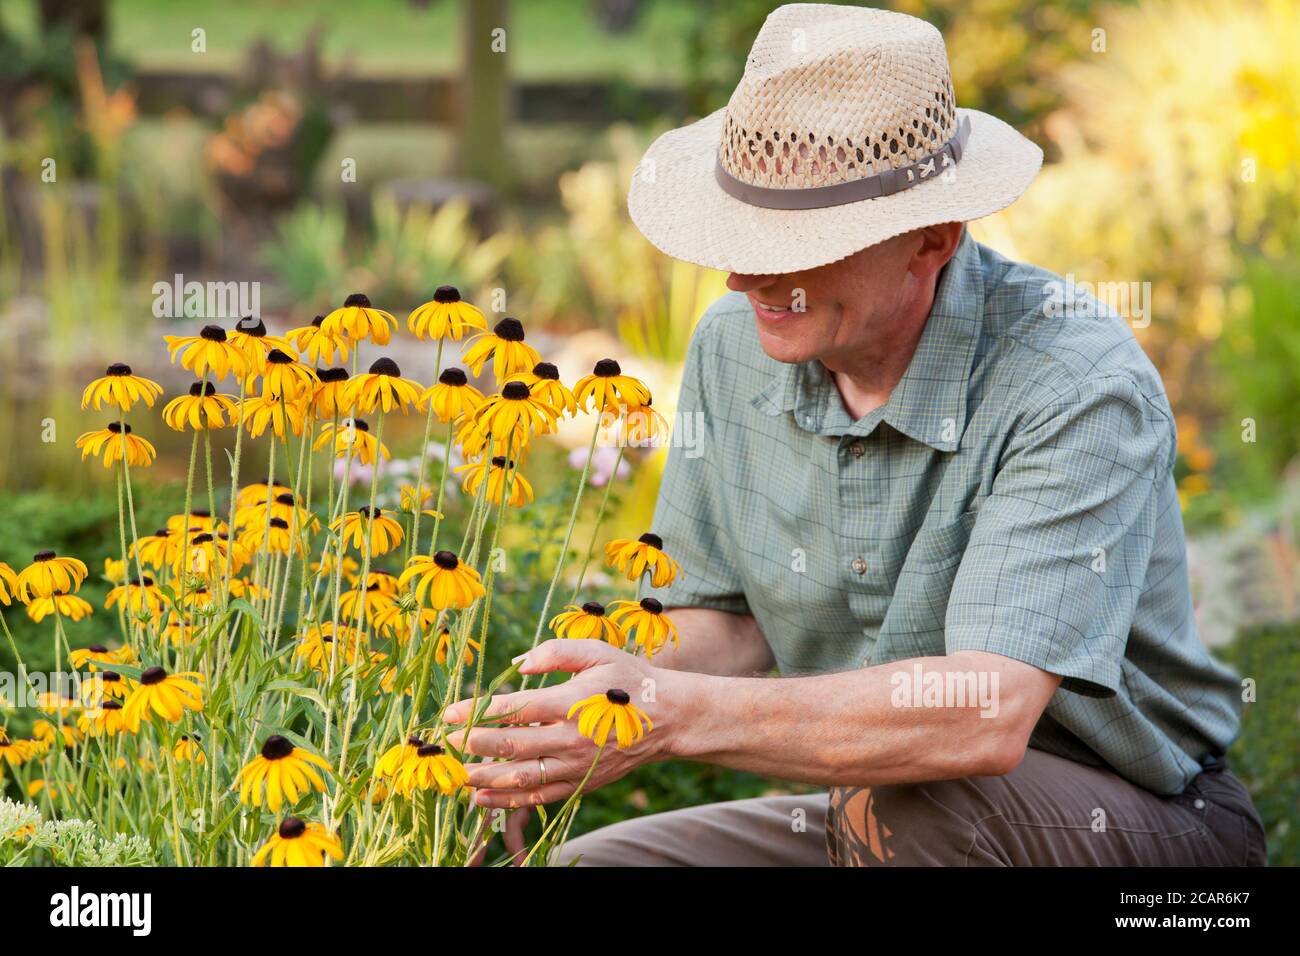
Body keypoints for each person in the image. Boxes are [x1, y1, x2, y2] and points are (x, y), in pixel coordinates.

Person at [445, 3, 1265, 867]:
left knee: (920, 812)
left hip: (1153, 829)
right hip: (880, 815)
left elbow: (983, 716)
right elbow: (723, 628)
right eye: (741, 231)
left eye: (795, 238)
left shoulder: (1072, 383)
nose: (742, 273)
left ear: (932, 237)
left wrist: (670, 715)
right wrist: (554, 724)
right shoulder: (736, 344)